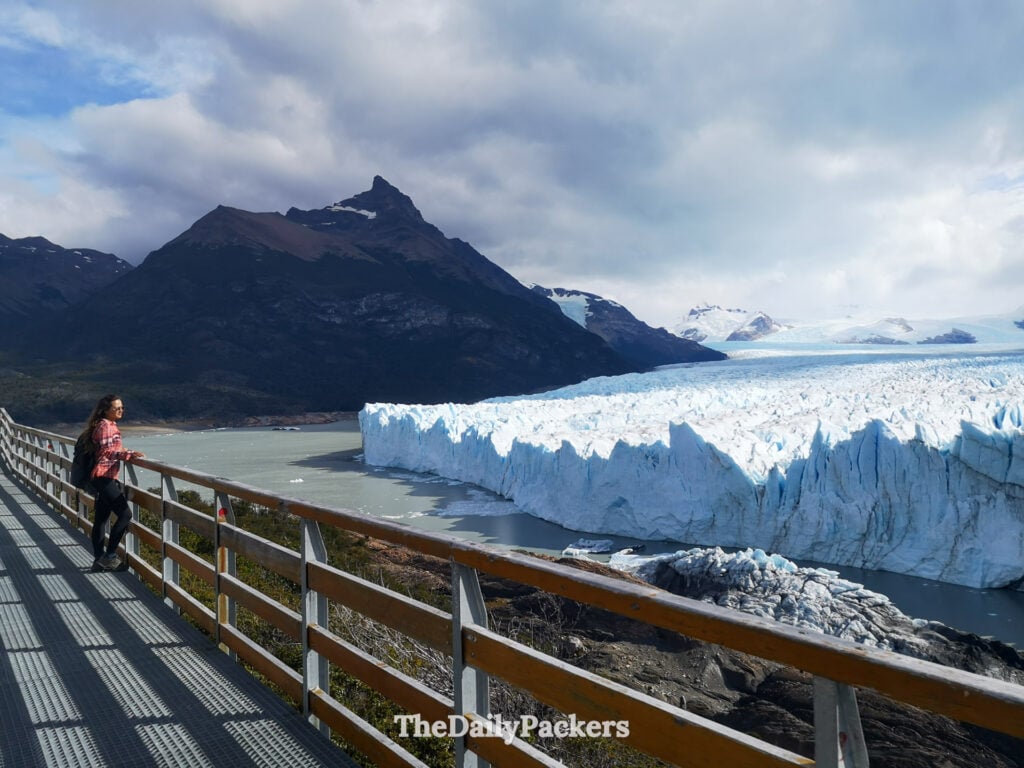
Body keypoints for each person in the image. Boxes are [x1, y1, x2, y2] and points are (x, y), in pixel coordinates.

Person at [78, 394, 145, 571]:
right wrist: (128, 455)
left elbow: (111, 448)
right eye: (117, 408)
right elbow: (107, 453)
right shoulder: (106, 427)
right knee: (125, 514)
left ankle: (99, 560)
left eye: (122, 407)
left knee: (101, 518)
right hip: (103, 476)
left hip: (102, 476)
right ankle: (110, 556)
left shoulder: (105, 425)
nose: (121, 410)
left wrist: (126, 451)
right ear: (106, 410)